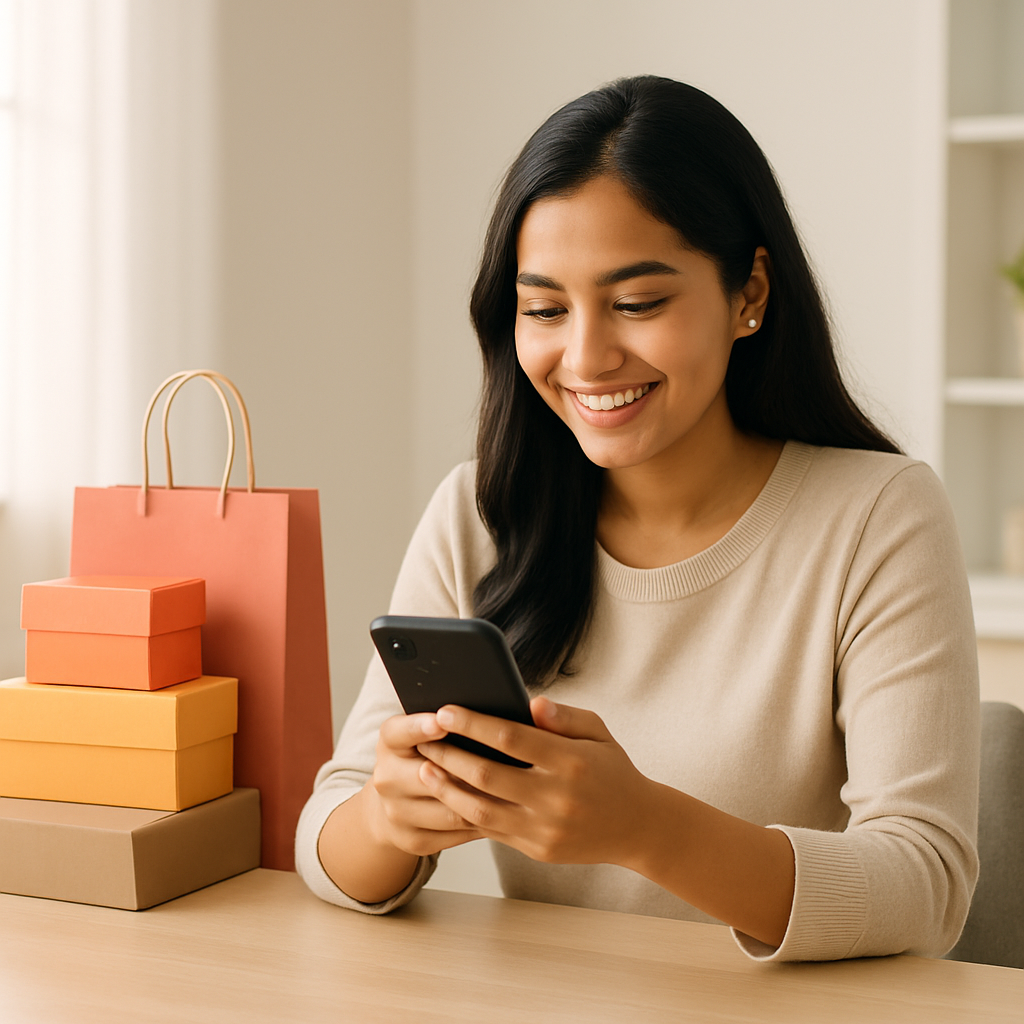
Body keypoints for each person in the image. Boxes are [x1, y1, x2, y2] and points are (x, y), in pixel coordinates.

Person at [295, 76, 979, 962]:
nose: (585, 357)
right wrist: (390, 818)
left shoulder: (879, 518)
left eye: (638, 303)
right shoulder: (479, 514)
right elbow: (330, 837)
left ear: (749, 294)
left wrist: (646, 829)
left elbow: (926, 887)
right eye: (544, 309)